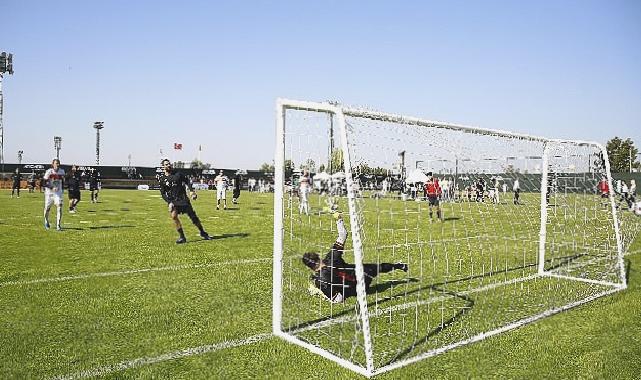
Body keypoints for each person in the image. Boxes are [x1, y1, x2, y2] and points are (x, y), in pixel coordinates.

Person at [302, 213, 408, 303]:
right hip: (363, 274)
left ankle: (398, 265)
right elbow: (343, 234)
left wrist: (322, 294)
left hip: (358, 290)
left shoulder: (320, 281)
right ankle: (399, 265)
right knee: (378, 267)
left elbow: (338, 299)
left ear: (310, 267)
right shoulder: (332, 257)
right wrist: (338, 219)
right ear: (318, 257)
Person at [158, 158, 212, 244]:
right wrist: (169, 202)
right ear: (162, 167)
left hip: (183, 199)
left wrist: (191, 191)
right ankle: (182, 237)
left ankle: (203, 232)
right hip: (173, 200)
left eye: (169, 163)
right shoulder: (162, 179)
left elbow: (187, 181)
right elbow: (163, 193)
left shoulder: (178, 174)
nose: (169, 165)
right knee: (174, 216)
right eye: (166, 164)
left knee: (193, 217)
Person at [43, 158, 65, 231]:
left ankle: (58, 225)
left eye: (58, 163)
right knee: (47, 208)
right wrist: (51, 187)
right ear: (53, 164)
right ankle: (46, 221)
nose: (57, 165)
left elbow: (63, 181)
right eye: (56, 163)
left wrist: (63, 189)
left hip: (58, 192)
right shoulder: (49, 171)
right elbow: (44, 183)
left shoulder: (62, 171)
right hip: (49, 193)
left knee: (59, 206)